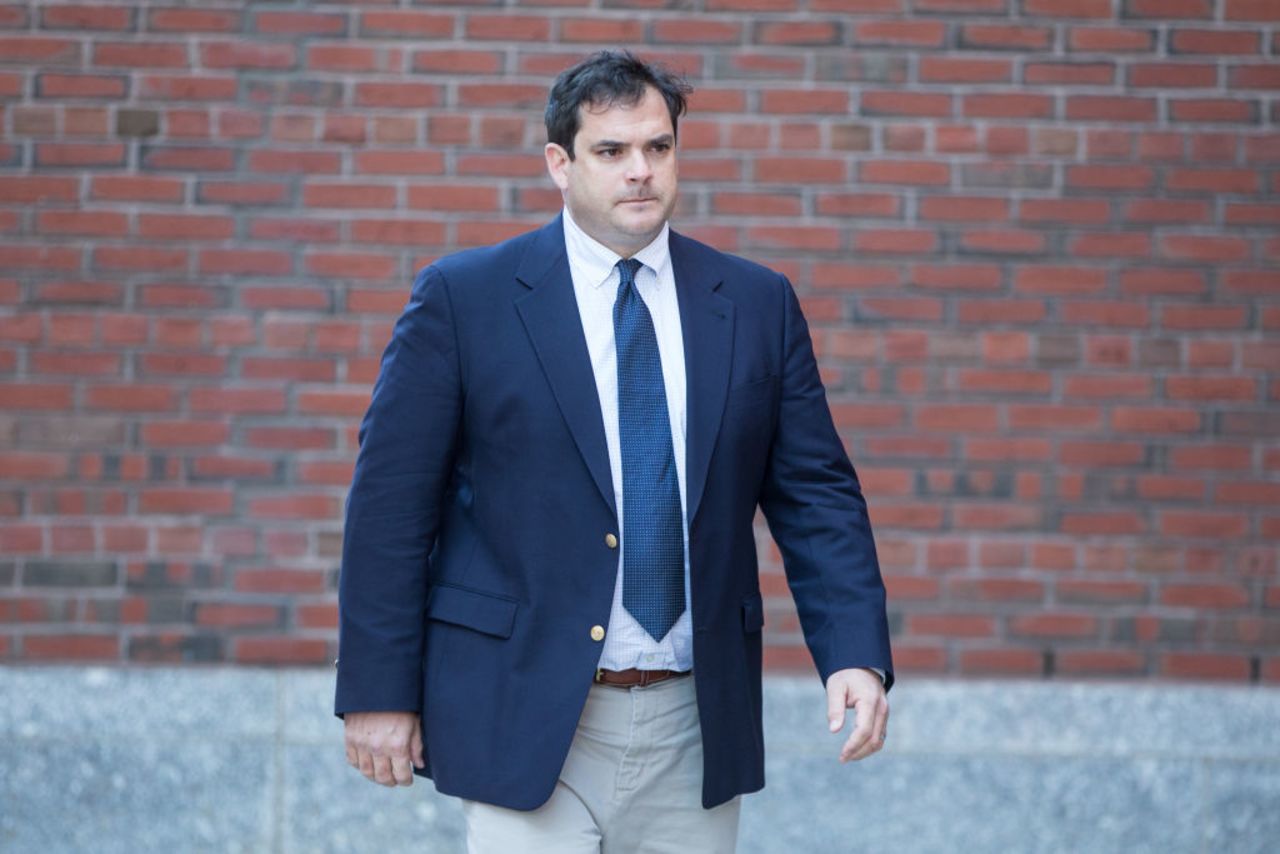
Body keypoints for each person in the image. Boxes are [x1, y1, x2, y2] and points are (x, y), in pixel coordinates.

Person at [335, 50, 894, 853]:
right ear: (560, 164)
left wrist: (855, 655)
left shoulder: (754, 303)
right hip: (521, 708)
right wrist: (378, 693)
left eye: (658, 148)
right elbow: (390, 507)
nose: (641, 171)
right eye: (612, 151)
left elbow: (817, 495)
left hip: (692, 723)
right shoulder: (467, 299)